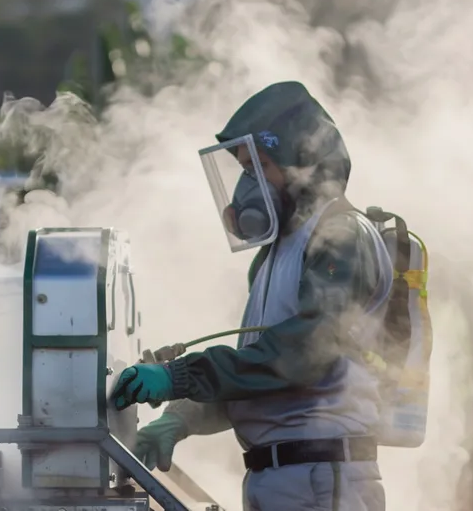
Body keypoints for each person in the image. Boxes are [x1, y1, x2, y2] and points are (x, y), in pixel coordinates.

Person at [110, 81, 395, 511]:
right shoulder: (273, 254)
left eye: (258, 167)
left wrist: (180, 376)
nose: (248, 186)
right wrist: (180, 419)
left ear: (300, 160)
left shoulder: (340, 237)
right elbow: (260, 378)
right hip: (282, 478)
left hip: (322, 480)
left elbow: (299, 355)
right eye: (244, 171)